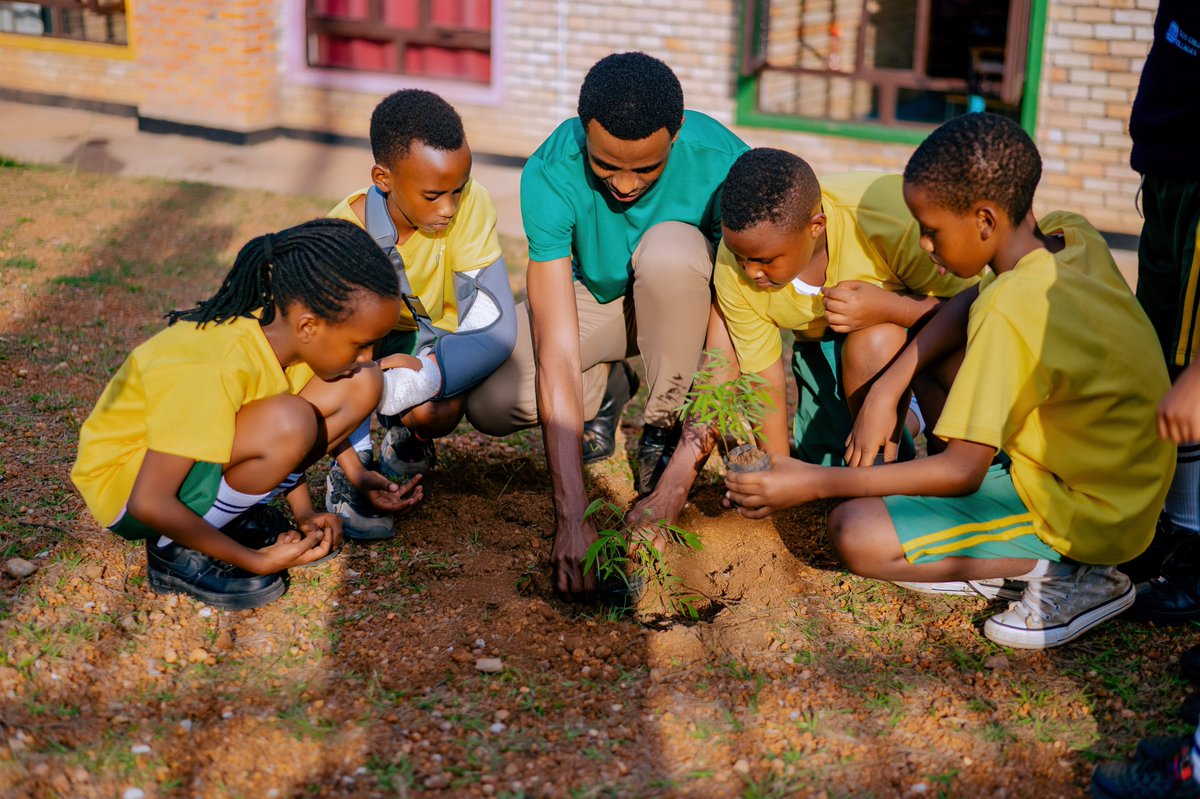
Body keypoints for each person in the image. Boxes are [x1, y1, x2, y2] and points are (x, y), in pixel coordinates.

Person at [724, 113, 1174, 649]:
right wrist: (888, 390)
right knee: (929, 365)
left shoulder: (1010, 313)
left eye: (932, 231)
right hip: (1118, 478)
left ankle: (1079, 574)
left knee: (855, 532)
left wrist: (812, 480)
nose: (925, 245)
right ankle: (1001, 542)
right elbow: (970, 299)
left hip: (1087, 513)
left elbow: (961, 471)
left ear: (984, 220)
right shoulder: (1067, 233)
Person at [467, 52, 748, 595]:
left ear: (677, 134)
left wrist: (670, 494)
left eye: (645, 168)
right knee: (493, 400)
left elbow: (726, 343)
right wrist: (571, 514)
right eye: (605, 165)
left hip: (684, 303)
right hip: (596, 299)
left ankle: (661, 425)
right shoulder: (551, 170)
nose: (623, 185)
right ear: (583, 134)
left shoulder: (724, 166)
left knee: (672, 250)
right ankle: (609, 387)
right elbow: (556, 349)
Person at [71, 219, 401, 609]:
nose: (367, 356)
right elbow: (149, 500)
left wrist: (305, 511)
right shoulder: (215, 362)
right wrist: (255, 559)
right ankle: (173, 549)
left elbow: (282, 428)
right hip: (132, 489)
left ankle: (227, 516)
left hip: (189, 470)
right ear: (309, 326)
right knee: (290, 418)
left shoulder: (288, 338)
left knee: (362, 382)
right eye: (361, 345)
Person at [324, 89, 517, 541]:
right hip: (361, 345)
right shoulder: (344, 235)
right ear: (383, 178)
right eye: (433, 195)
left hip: (432, 336)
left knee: (438, 410)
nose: (449, 208)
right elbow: (334, 361)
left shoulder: (471, 202)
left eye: (458, 189)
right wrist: (356, 461)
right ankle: (349, 475)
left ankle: (409, 435)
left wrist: (418, 378)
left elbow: (494, 326)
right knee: (350, 374)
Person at [1123, 0, 1200, 625]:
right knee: (1158, 357)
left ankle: (1194, 558)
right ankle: (1163, 530)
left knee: (1191, 374)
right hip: (1167, 171)